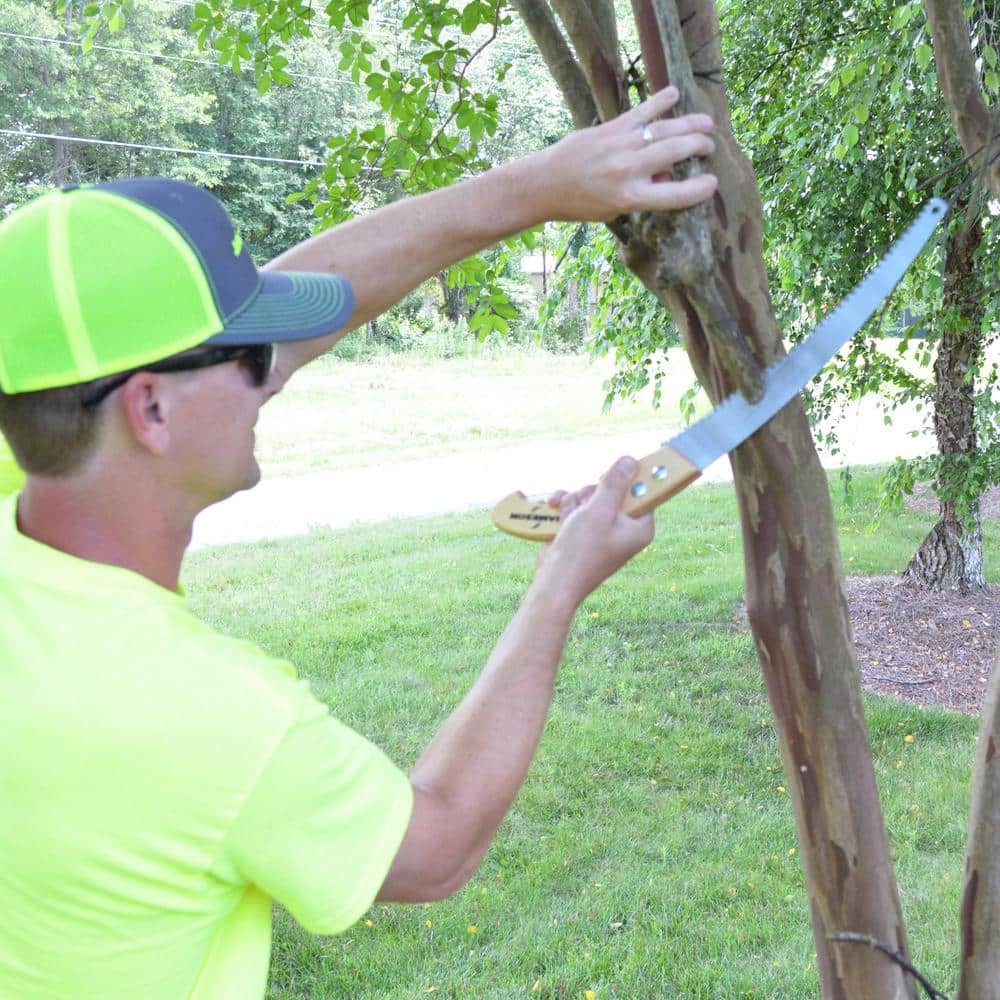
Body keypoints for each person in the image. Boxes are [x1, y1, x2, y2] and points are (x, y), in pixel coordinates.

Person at [0, 87, 716, 998]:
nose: (274, 374)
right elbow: (439, 844)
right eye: (250, 355)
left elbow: (302, 319)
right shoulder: (215, 717)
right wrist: (560, 582)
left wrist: (541, 185)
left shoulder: (43, 448)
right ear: (148, 408)